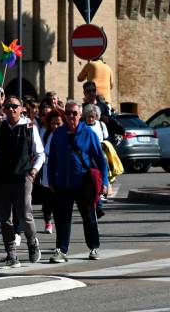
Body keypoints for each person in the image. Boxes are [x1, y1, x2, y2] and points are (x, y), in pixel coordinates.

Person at [0, 96, 45, 268]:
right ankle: (11, 254)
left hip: (22, 177)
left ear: (21, 109)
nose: (11, 109)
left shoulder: (29, 128)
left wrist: (33, 171)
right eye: (7, 106)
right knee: (5, 219)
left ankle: (32, 242)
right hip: (1, 179)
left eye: (14, 106)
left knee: (25, 215)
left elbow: (40, 153)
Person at [47, 100, 109, 263]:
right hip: (62, 184)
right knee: (62, 219)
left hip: (83, 184)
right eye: (67, 113)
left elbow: (101, 161)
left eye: (74, 113)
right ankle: (61, 250)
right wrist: (51, 180)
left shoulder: (89, 134)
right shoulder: (58, 134)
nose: (71, 116)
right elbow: (52, 159)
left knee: (89, 217)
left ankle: (94, 247)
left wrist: (105, 183)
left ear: (80, 115)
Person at [39, 109, 66, 234]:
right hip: (46, 171)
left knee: (59, 203)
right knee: (46, 200)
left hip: (60, 174)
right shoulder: (46, 134)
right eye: (53, 123)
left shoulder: (65, 135)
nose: (55, 126)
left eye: (58, 124)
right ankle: (47, 222)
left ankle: (61, 230)